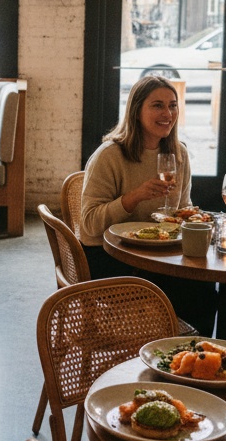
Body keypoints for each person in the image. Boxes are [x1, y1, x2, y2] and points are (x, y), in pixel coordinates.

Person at [78, 76, 217, 334]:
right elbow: (89, 224)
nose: (168, 114)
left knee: (206, 287)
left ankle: (203, 354)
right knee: (192, 292)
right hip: (109, 255)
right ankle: (169, 349)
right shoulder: (110, 155)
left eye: (173, 105)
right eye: (157, 105)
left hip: (158, 254)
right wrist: (134, 197)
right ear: (136, 110)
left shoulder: (179, 154)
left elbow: (182, 208)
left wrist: (193, 219)